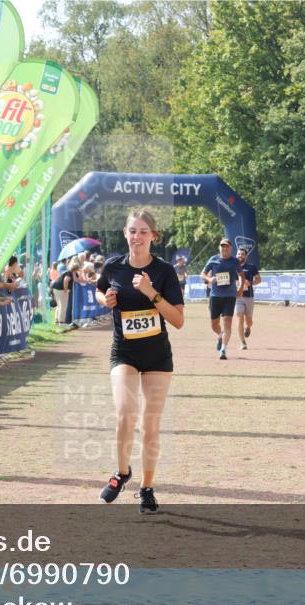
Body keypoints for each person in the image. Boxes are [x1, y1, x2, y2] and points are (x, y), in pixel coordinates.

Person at [95, 209, 184, 514]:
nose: (137, 237)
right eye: (133, 231)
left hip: (158, 356)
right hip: (125, 352)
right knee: (125, 413)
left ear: (153, 237)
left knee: (150, 426)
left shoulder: (164, 271)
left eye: (144, 231)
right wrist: (104, 299)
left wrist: (151, 293)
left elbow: (178, 320)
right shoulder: (113, 266)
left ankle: (147, 488)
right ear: (125, 233)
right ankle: (122, 474)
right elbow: (100, 289)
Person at [200, 238, 240, 359]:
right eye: (222, 246)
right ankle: (220, 334)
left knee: (227, 321)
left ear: (231, 248)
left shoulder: (235, 261)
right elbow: (202, 274)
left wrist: (241, 287)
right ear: (220, 248)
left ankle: (223, 350)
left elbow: (241, 274)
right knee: (214, 324)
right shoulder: (213, 259)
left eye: (227, 246)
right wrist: (209, 279)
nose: (225, 248)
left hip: (230, 295)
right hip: (215, 295)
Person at [234, 246, 261, 349]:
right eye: (239, 254)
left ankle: (248, 326)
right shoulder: (232, 267)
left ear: (246, 256)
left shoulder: (251, 267)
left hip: (249, 297)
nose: (240, 255)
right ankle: (243, 343)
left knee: (249, 321)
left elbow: (259, 280)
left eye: (242, 254)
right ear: (236, 255)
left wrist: (251, 283)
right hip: (238, 297)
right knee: (239, 317)